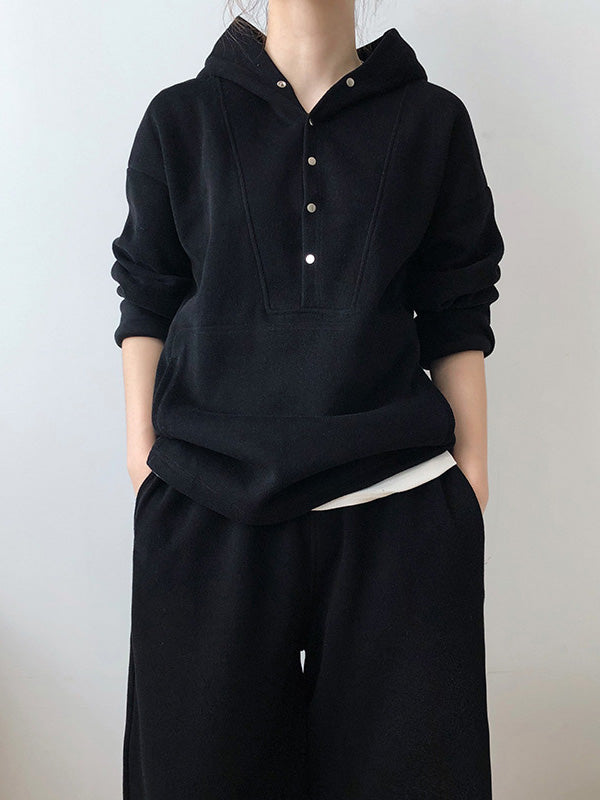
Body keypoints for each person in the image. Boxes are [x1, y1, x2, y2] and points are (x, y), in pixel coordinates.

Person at [111, 1, 504, 798]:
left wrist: (471, 475)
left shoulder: (432, 121)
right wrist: (142, 456)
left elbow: (458, 304)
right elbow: (147, 295)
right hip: (206, 502)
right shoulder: (181, 118)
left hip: (397, 504)